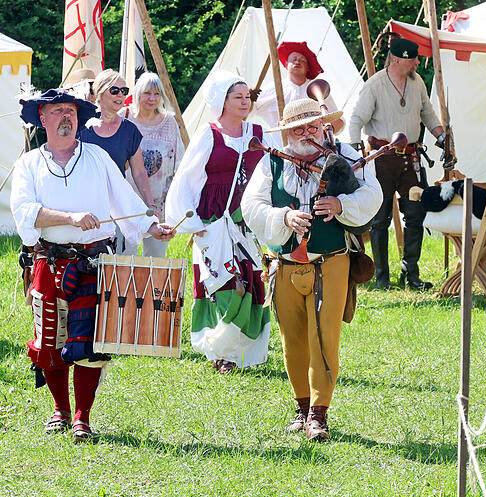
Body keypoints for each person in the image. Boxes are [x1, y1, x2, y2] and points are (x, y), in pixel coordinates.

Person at [10, 88, 174, 441]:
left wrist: (150, 226)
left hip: (92, 261)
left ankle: (83, 417)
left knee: (89, 342)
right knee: (49, 340)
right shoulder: (29, 164)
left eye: (70, 111)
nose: (66, 117)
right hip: (49, 260)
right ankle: (60, 409)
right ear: (43, 119)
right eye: (57, 112)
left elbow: (123, 199)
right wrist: (69, 217)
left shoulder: (97, 158)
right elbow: (24, 211)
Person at [242, 98, 382, 441]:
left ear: (325, 126)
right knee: (292, 339)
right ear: (288, 132)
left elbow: (373, 195)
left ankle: (318, 415)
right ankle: (301, 409)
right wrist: (284, 218)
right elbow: (251, 206)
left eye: (312, 126)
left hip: (331, 260)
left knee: (324, 337)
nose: (307, 133)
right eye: (298, 128)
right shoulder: (272, 162)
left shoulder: (348, 157)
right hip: (285, 264)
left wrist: (341, 204)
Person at [165, 71, 270, 374]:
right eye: (237, 97)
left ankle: (238, 352)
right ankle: (219, 349)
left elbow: (271, 173)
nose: (244, 101)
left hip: (246, 218)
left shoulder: (259, 133)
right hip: (213, 218)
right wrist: (190, 221)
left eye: (247, 96)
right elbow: (187, 177)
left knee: (250, 281)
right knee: (222, 283)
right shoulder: (209, 134)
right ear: (221, 101)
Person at [348, 37, 446, 290]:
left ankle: (410, 274)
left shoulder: (417, 82)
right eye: (412, 59)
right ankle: (381, 278)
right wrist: (355, 149)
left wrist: (442, 137)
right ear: (397, 59)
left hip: (411, 158)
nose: (416, 63)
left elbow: (427, 112)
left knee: (415, 214)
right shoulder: (375, 85)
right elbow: (357, 118)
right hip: (382, 158)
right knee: (380, 219)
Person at [121, 71, 185, 258]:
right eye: (147, 93)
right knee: (124, 259)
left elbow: (178, 162)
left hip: (158, 204)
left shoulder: (169, 122)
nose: (152, 98)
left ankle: (149, 290)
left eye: (156, 94)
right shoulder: (124, 118)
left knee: (154, 261)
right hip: (127, 204)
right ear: (138, 93)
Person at [79, 69, 155, 213]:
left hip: (116, 207)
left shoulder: (130, 130)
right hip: (84, 206)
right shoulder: (81, 127)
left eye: (124, 90)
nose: (120, 95)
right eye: (114, 90)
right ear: (100, 93)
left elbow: (139, 172)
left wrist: (151, 205)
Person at [249, 41, 344, 135]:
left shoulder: (318, 89)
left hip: (314, 148)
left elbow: (338, 122)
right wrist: (248, 98)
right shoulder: (271, 89)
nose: (297, 61)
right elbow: (247, 111)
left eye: (302, 60)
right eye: (294, 59)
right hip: (279, 148)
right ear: (286, 64)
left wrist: (323, 130)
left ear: (308, 67)